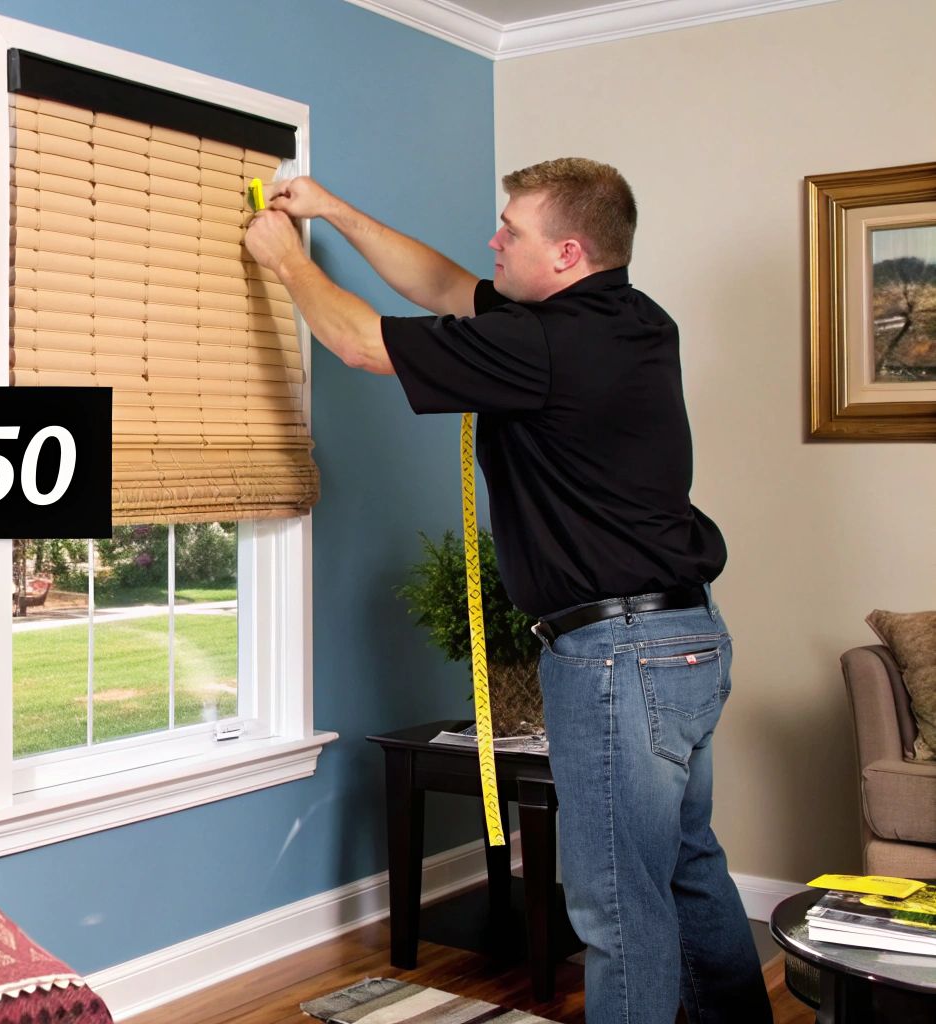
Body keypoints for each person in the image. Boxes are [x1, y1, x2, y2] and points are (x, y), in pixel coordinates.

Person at [244, 158, 770, 1024]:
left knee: (614, 907)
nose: (492, 239)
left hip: (618, 658)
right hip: (684, 640)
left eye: (511, 231)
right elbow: (448, 284)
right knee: (683, 866)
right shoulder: (633, 319)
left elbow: (361, 344)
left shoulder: (546, 346)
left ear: (566, 253)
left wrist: (288, 261)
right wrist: (334, 209)